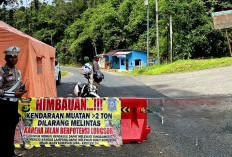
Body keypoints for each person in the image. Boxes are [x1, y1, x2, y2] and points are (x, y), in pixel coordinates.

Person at [0, 46, 27, 157]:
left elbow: (15, 87)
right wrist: (12, 93)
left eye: (15, 57)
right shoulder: (2, 71)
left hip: (14, 104)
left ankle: (10, 152)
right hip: (4, 104)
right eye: (10, 57)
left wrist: (20, 90)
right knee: (4, 129)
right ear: (6, 58)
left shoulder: (17, 71)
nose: (13, 59)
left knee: (11, 129)